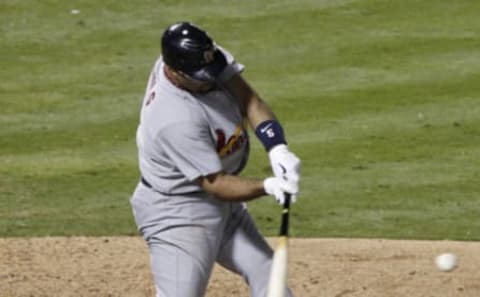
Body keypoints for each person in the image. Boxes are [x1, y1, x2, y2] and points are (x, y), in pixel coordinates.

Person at [130, 21, 301, 297]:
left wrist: (277, 147)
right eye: (200, 76)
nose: (210, 79)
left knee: (273, 283)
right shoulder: (173, 117)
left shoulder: (203, 58)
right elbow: (216, 183)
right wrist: (266, 186)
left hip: (225, 209)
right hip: (178, 213)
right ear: (173, 72)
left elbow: (250, 101)